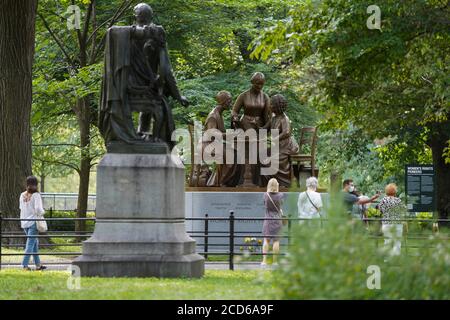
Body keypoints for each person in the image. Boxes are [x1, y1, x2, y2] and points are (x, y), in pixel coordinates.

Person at [231, 72, 271, 186]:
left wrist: (264, 128)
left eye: (262, 84)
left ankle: (257, 179)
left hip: (259, 126)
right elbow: (235, 110)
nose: (260, 86)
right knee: (246, 148)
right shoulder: (243, 95)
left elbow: (267, 116)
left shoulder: (265, 97)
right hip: (245, 125)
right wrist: (235, 117)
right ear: (252, 82)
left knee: (259, 150)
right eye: (257, 83)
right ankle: (242, 178)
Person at [269, 94, 299, 186]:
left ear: (277, 106)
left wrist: (275, 139)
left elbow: (286, 132)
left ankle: (286, 181)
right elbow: (266, 128)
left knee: (272, 159)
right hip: (278, 145)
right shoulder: (274, 118)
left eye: (271, 104)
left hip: (287, 146)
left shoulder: (284, 118)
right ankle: (271, 182)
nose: (269, 106)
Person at [20, 176, 46, 271]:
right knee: (30, 244)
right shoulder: (36, 195)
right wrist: (43, 212)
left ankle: (38, 265)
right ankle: (24, 265)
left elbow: (21, 209)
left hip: (24, 222)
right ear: (36, 184)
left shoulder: (22, 195)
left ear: (27, 184)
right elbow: (38, 209)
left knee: (34, 243)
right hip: (33, 223)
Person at [262, 178, 284, 267]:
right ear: (276, 186)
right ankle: (275, 262)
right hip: (277, 219)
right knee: (276, 241)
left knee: (266, 240)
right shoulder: (281, 195)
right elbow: (281, 205)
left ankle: (264, 261)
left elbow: (265, 205)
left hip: (268, 219)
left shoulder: (265, 195)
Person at [379, 183, 405, 257]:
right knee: (397, 242)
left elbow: (380, 209)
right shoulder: (398, 200)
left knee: (387, 241)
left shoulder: (383, 200)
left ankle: (387, 259)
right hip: (397, 223)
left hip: (387, 223)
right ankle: (396, 259)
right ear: (395, 191)